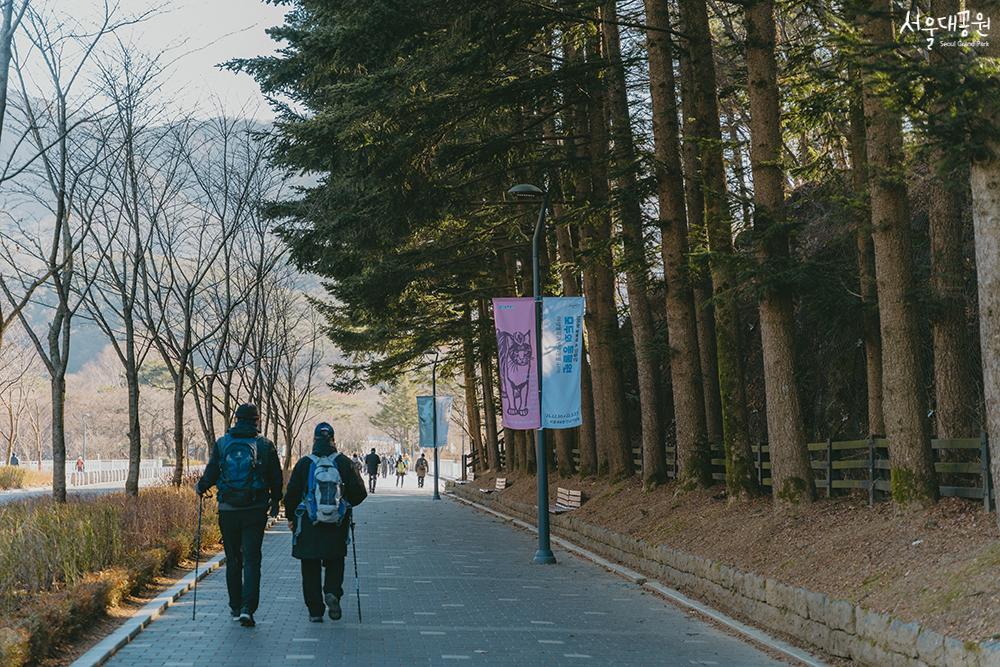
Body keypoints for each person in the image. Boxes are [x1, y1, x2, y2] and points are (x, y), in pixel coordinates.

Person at [196, 403, 283, 628]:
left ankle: (235, 606)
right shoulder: (264, 445)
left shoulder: (223, 443)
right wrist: (275, 501)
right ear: (256, 420)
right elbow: (276, 476)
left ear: (236, 419)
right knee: (252, 559)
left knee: (233, 559)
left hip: (228, 510)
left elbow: (212, 471)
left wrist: (202, 486)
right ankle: (248, 609)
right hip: (255, 510)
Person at [284, 423, 367, 623]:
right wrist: (345, 505)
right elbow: (360, 493)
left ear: (314, 440)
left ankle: (315, 611)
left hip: (309, 524)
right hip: (336, 524)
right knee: (335, 561)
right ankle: (332, 593)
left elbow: (291, 494)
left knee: (309, 566)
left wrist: (290, 518)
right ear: (333, 440)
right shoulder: (344, 462)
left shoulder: (304, 464)